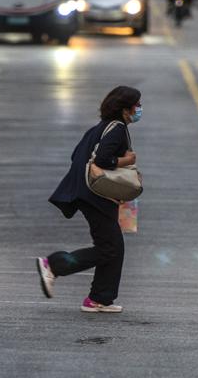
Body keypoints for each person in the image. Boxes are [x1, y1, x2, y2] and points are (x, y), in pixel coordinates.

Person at [36, 85, 141, 313]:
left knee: (113, 247)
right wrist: (125, 160)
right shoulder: (117, 129)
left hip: (90, 195)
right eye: (137, 105)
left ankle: (100, 299)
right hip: (97, 196)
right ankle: (54, 265)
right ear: (125, 109)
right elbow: (103, 160)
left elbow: (77, 155)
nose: (139, 109)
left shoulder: (100, 128)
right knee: (109, 248)